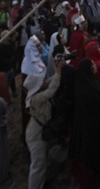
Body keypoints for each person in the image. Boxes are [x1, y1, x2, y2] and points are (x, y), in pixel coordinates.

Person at [69, 58, 100, 188]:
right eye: (92, 64)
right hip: (91, 129)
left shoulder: (90, 83)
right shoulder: (87, 89)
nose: (94, 65)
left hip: (97, 126)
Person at [25, 59, 63, 189]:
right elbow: (51, 90)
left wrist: (57, 72)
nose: (44, 81)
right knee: (37, 165)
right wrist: (58, 72)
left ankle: (42, 183)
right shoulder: (35, 99)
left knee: (43, 160)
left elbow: (49, 82)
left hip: (38, 131)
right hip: (35, 135)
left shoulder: (37, 93)